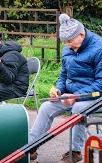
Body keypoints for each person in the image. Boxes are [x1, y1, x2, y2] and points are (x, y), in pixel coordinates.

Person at [29, 14, 102, 162]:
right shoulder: (68, 49)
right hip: (70, 95)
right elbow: (63, 76)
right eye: (65, 42)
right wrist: (58, 90)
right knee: (45, 107)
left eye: (70, 41)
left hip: (94, 97)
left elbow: (101, 83)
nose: (68, 45)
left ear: (81, 34)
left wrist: (76, 96)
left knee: (78, 109)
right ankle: (30, 148)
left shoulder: (99, 47)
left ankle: (76, 152)